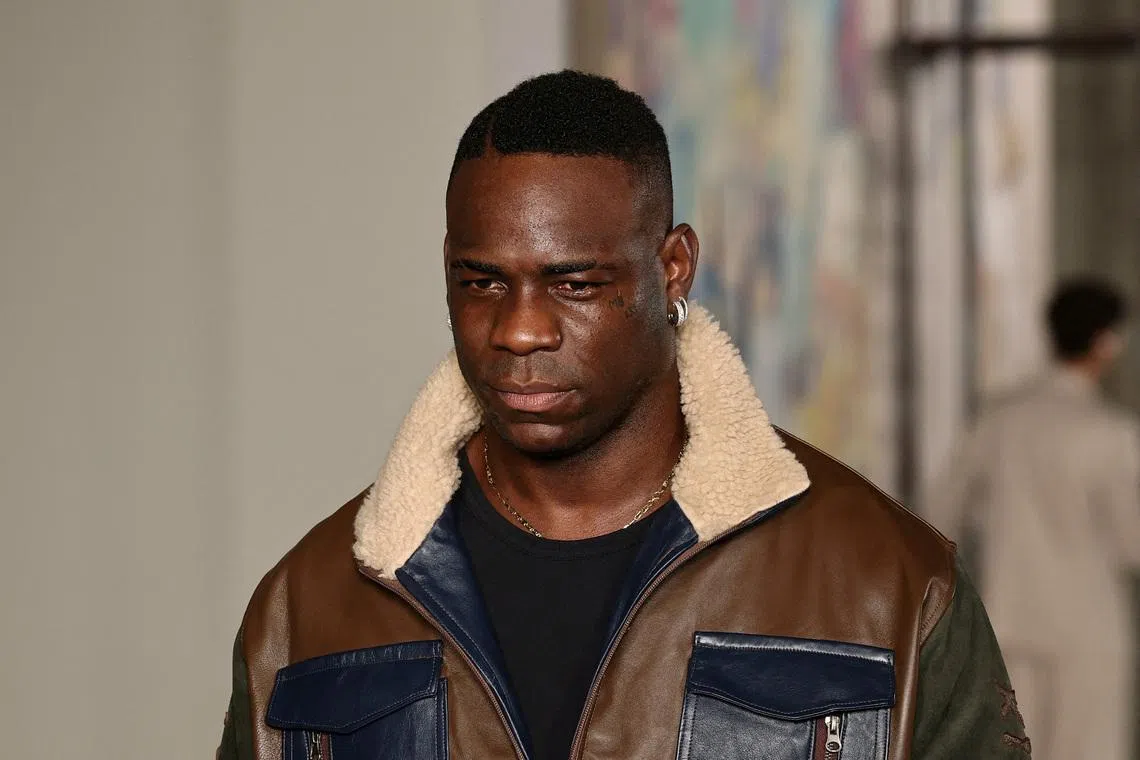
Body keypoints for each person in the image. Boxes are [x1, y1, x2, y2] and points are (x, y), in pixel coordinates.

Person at [217, 71, 1029, 760]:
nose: (520, 330)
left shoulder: (888, 583)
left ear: (672, 269)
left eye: (575, 284)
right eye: (482, 282)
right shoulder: (309, 608)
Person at [928, 277, 1138, 760]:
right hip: (1089, 629)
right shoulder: (1112, 434)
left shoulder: (1001, 419)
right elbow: (1132, 542)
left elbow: (940, 513)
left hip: (1011, 619)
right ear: (1107, 342)